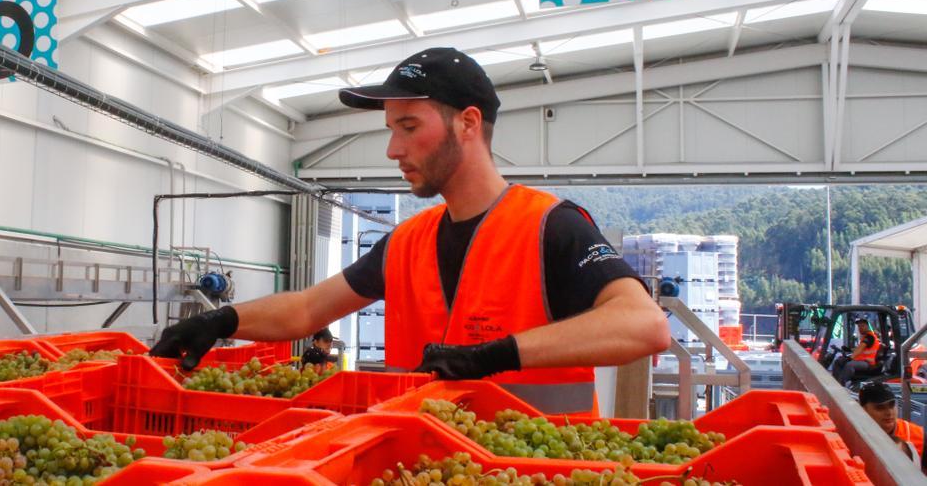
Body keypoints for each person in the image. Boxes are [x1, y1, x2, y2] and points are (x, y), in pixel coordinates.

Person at [150, 47, 670, 416]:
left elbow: (645, 326)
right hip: (422, 466)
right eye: (391, 131)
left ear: (468, 123)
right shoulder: (407, 241)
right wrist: (223, 320)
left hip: (531, 471)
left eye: (410, 127)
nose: (393, 150)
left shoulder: (550, 227)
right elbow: (309, 309)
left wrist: (495, 356)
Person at [858, 382, 923, 466]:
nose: (889, 412)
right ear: (864, 410)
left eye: (891, 405)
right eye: (880, 407)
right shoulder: (856, 435)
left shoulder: (918, 435)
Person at [833, 317, 881, 386]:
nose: (860, 328)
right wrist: (849, 350)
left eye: (862, 326)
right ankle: (836, 381)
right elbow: (859, 348)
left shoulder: (870, 337)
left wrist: (849, 358)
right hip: (862, 361)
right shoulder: (865, 337)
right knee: (839, 361)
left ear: (867, 326)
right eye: (859, 326)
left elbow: (860, 349)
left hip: (868, 363)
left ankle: (841, 384)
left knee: (849, 364)